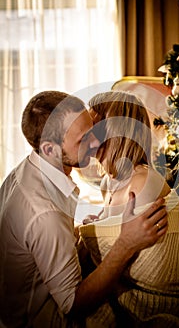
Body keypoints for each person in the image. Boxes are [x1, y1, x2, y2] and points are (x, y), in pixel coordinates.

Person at [0, 90, 169, 328]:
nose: (96, 142)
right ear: (49, 149)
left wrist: (78, 234)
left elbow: (38, 247)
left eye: (93, 129)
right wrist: (126, 244)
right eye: (83, 139)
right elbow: (73, 304)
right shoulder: (44, 211)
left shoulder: (28, 170)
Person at [78, 90, 179, 327]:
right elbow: (118, 236)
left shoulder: (143, 181)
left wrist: (101, 235)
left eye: (94, 125)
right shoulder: (109, 183)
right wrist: (100, 226)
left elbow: (136, 255)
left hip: (177, 305)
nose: (86, 135)